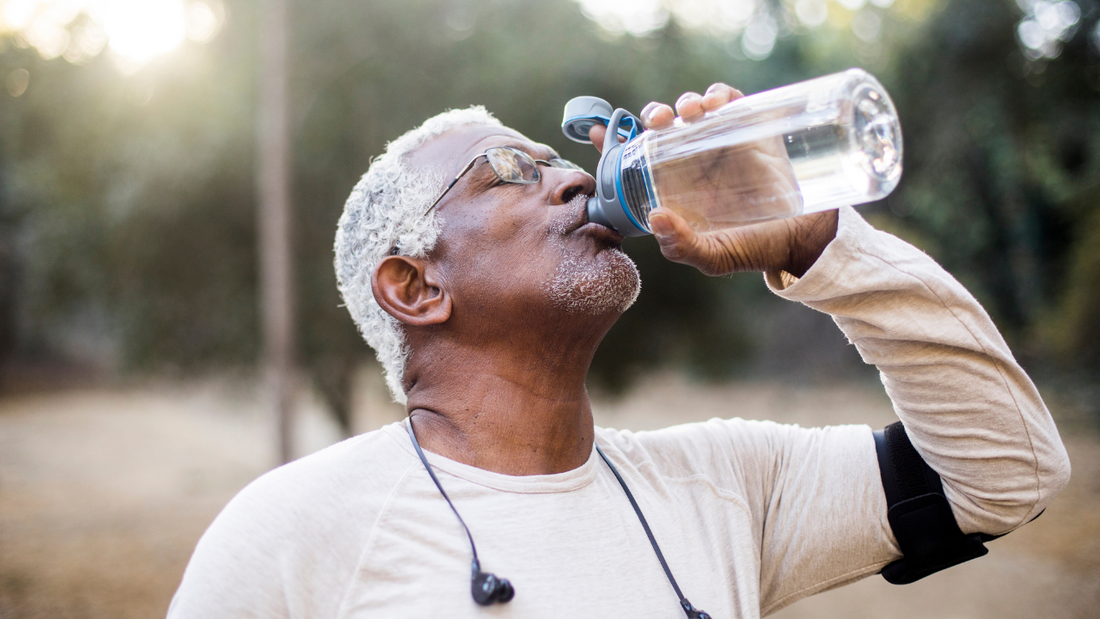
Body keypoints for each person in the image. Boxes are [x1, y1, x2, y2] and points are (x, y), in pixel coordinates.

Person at [168, 84, 1070, 618]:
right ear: (415, 287)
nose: (570, 175)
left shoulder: (728, 485)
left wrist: (819, 244)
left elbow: (1009, 473)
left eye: (552, 160)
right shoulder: (290, 533)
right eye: (510, 172)